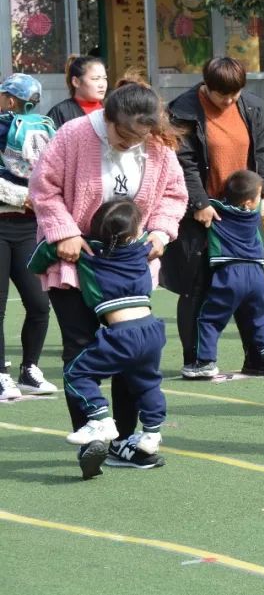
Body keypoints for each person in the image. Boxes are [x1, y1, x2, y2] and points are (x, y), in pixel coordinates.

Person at [29, 83, 186, 471]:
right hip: (76, 259)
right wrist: (63, 231)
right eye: (123, 135)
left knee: (131, 353)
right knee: (80, 347)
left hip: (129, 263)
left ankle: (125, 440)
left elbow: (173, 195)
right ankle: (92, 435)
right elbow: (43, 188)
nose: (129, 143)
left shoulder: (158, 146)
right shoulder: (74, 134)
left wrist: (162, 231)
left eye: (139, 136)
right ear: (107, 118)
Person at [29, 199, 167, 479]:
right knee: (147, 383)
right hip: (152, 329)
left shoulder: (90, 252)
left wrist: (63, 240)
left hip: (121, 335)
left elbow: (36, 262)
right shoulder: (143, 247)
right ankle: (151, 433)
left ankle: (101, 417)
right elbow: (150, 235)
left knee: (76, 373)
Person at [161, 57, 264, 375]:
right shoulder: (182, 110)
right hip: (203, 212)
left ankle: (258, 355)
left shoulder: (252, 107)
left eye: (235, 95)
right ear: (206, 86)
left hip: (243, 212)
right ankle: (197, 360)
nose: (228, 101)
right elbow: (183, 162)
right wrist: (199, 203)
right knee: (197, 284)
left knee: (250, 281)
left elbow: (262, 152)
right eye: (221, 95)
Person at [182, 169, 264, 379]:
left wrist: (201, 203)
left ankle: (205, 362)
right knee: (259, 318)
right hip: (256, 274)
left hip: (231, 273)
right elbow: (260, 203)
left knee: (210, 319)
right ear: (249, 202)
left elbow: (199, 204)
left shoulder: (217, 210)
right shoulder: (254, 215)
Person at [0, 74, 56, 399]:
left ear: (10, 99)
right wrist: (24, 197)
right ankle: (1, 373)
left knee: (38, 302)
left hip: (27, 225)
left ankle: (29, 369)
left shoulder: (44, 128)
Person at [45, 55, 108, 129]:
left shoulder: (112, 109)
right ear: (76, 82)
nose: (102, 84)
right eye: (95, 79)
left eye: (104, 78)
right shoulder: (60, 112)